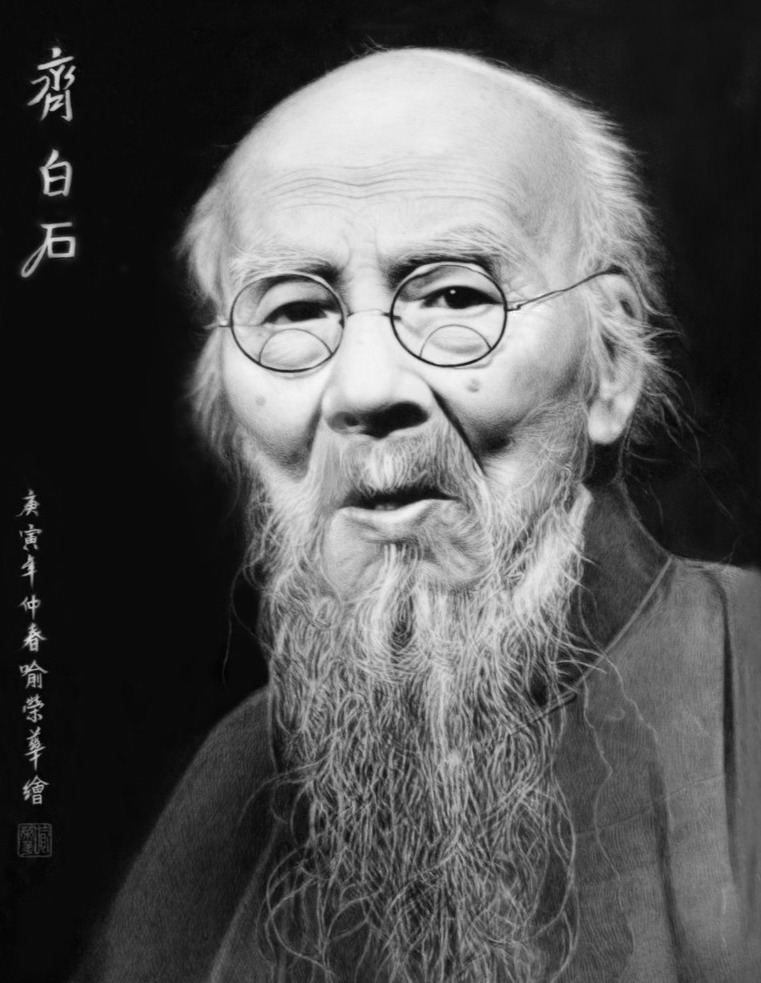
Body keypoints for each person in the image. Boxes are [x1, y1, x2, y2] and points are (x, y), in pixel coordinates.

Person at [74, 48, 760, 983]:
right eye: (294, 311)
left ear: (611, 366)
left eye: (455, 296)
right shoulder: (228, 785)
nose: (366, 389)